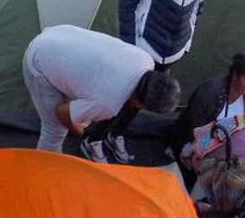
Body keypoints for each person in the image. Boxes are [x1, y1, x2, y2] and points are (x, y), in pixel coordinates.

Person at [23, 25, 180, 159]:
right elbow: (62, 114)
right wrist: (81, 132)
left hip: (61, 33)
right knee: (55, 130)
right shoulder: (109, 104)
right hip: (40, 57)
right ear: (141, 105)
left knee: (82, 103)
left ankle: (186, 154)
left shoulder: (145, 59)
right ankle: (45, 173)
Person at [171, 54, 245, 178]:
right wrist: (204, 151)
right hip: (195, 145)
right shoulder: (209, 93)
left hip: (223, 152)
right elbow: (193, 129)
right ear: (235, 76)